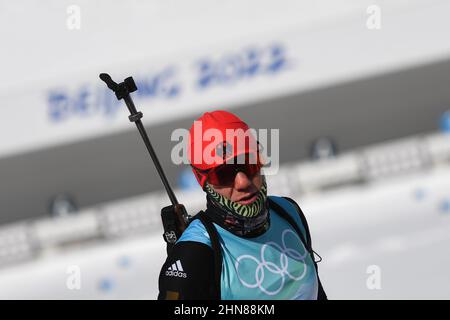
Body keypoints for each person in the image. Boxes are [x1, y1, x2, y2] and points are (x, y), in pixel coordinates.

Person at [158, 110, 327, 300]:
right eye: (224, 174)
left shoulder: (288, 211)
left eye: (249, 163)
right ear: (201, 179)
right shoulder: (195, 254)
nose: (243, 182)